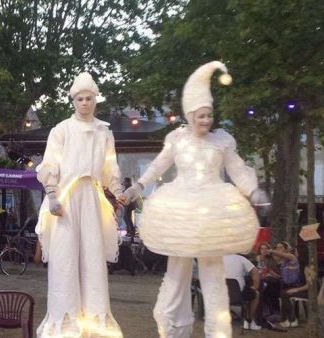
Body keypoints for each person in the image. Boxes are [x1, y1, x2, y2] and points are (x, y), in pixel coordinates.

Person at [120, 61, 270, 338]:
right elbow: (158, 166)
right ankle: (173, 328)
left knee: (213, 274)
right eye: (200, 115)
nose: (205, 120)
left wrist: (253, 191)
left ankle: (218, 330)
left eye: (209, 115)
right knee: (177, 271)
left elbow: (237, 169)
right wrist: (138, 185)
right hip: (183, 211)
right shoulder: (177, 140)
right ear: (190, 115)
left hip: (213, 210)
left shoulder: (221, 141)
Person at [34, 72, 124, 337]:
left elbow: (109, 166)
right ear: (73, 101)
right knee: (64, 260)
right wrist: (51, 195)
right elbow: (50, 163)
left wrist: (118, 191)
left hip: (93, 200)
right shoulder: (61, 130)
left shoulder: (104, 132)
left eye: (89, 98)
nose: (84, 102)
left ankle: (95, 324)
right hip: (65, 200)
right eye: (80, 98)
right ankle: (64, 324)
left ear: (95, 100)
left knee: (93, 259)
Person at [223, 254, 261, 330]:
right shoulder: (240, 258)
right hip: (238, 295)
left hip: (221, 294)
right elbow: (256, 271)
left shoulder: (219, 258)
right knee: (255, 294)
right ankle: (248, 320)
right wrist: (254, 287)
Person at [268, 242, 302, 328]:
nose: (278, 249)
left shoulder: (291, 256)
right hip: (286, 284)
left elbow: (278, 254)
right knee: (274, 291)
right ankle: (283, 318)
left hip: (295, 285)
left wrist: (271, 250)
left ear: (287, 249)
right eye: (277, 247)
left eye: (281, 247)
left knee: (282, 293)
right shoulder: (283, 260)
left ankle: (292, 319)